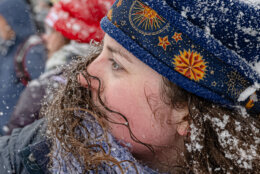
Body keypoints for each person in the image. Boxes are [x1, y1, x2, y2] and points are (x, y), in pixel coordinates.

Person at [0, 0, 259, 173]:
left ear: (186, 110)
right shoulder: (35, 151)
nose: (83, 75)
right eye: (100, 49)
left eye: (116, 64)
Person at [3, 0, 112, 135]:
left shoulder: (49, 85)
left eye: (52, 31)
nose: (45, 37)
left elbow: (13, 143)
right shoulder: (111, 73)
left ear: (68, 36)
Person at [0, 0, 47, 135]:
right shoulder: (7, 48)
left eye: (1, 20)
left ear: (12, 19)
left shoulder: (32, 51)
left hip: (18, 134)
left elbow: (42, 93)